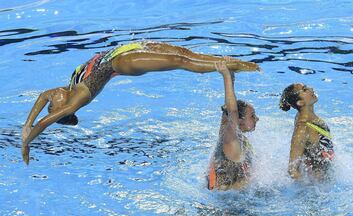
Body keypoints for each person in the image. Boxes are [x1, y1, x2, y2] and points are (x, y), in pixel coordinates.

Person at [22, 41, 260, 164]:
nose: (53, 99)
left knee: (183, 53)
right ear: (63, 111)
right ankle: (232, 65)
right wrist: (27, 141)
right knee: (181, 60)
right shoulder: (76, 99)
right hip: (123, 62)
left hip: (125, 50)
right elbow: (45, 121)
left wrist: (26, 123)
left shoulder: (66, 88)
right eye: (56, 106)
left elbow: (43, 96)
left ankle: (231, 62)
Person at [207, 61, 259, 190]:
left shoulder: (226, 132)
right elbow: (232, 111)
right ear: (239, 121)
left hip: (226, 198)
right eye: (252, 116)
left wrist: (231, 77)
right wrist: (225, 76)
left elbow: (228, 109)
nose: (257, 119)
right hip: (229, 205)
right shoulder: (230, 138)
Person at [279, 83, 335, 181]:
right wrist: (309, 188)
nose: (311, 88)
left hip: (324, 176)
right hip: (320, 184)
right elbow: (292, 170)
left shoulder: (305, 116)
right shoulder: (303, 128)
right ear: (300, 102)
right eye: (305, 90)